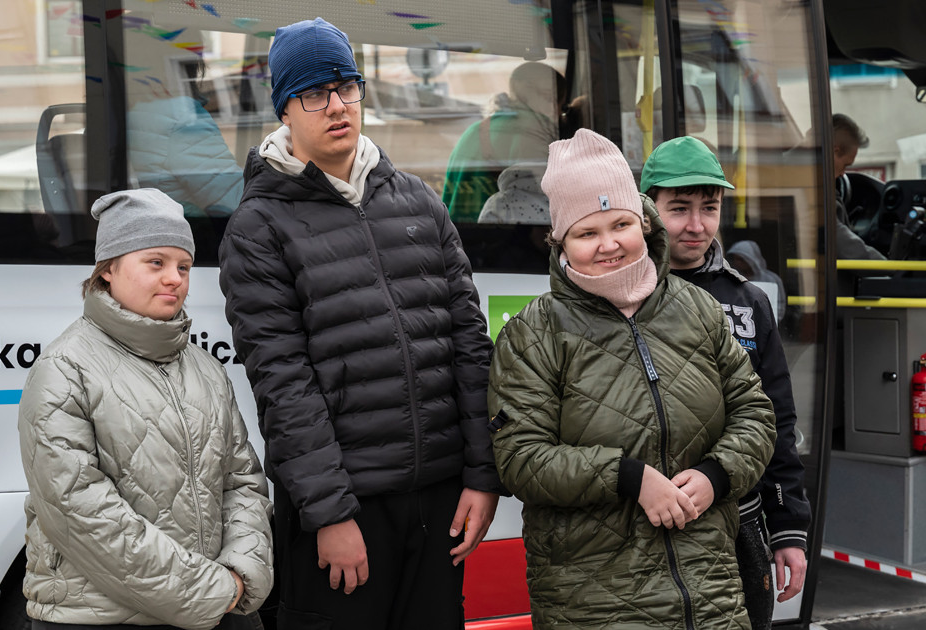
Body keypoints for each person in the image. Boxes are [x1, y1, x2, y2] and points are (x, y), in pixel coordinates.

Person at [217, 18, 501, 630]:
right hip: (346, 515)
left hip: (440, 501)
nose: (337, 106)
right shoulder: (258, 228)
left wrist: (482, 475)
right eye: (315, 93)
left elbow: (469, 348)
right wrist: (328, 515)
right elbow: (283, 382)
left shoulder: (419, 202)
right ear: (285, 110)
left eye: (347, 86)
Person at [488, 128, 776, 629]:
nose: (608, 246)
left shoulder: (699, 308)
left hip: (710, 591)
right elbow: (520, 459)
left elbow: (756, 413)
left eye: (620, 224)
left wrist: (718, 475)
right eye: (586, 233)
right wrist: (630, 478)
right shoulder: (532, 332)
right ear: (559, 241)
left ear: (643, 222)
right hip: (594, 599)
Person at [17, 188, 273, 630]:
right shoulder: (64, 368)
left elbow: (243, 483)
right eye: (156, 262)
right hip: (98, 618)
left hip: (218, 607)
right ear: (108, 270)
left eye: (184, 266)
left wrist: (239, 573)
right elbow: (80, 510)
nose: (175, 278)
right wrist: (208, 590)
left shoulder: (206, 368)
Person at [641, 136, 812, 630]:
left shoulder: (748, 301)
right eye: (679, 209)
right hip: (645, 525)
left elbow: (776, 419)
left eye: (709, 208)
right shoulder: (621, 296)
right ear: (647, 207)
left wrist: (788, 530)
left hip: (739, 521)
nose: (696, 225)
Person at [443, 61, 564, 222]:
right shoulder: (534, 129)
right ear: (523, 89)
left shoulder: (474, 131)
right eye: (550, 98)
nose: (556, 111)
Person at [832, 113, 885, 260]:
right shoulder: (812, 188)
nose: (843, 174)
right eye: (845, 165)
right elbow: (844, 245)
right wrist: (892, 269)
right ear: (834, 152)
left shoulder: (791, 168)